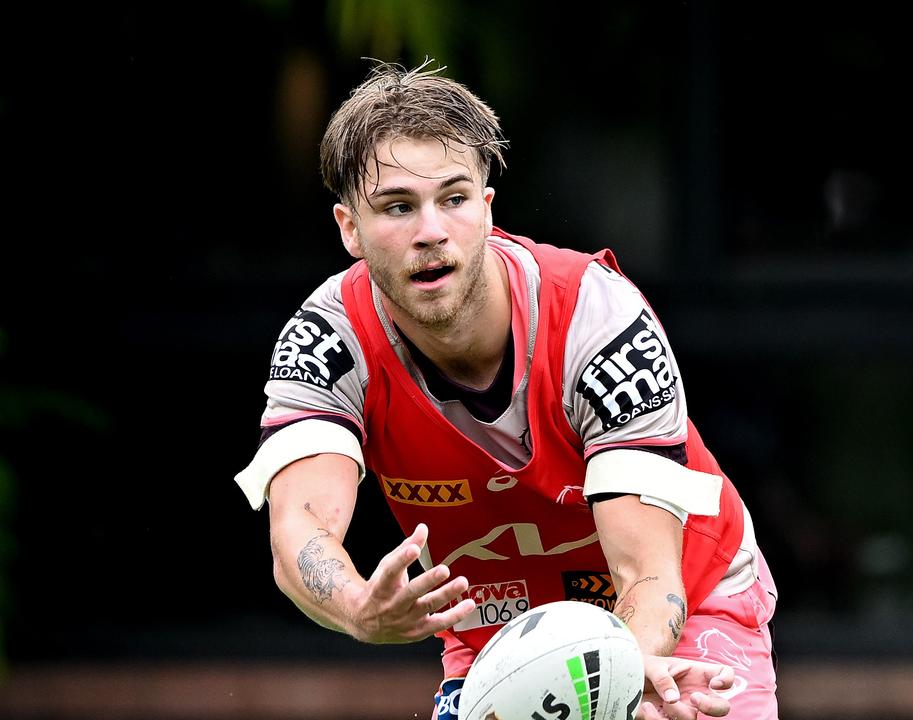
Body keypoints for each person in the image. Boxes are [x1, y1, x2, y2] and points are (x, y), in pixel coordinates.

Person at [235, 57, 778, 720]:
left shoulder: (599, 322)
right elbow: (301, 529)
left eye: (454, 199)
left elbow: (649, 576)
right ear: (349, 228)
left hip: (680, 610)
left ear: (487, 209)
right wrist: (353, 606)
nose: (431, 231)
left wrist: (626, 684)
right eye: (398, 207)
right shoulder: (328, 342)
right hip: (503, 639)